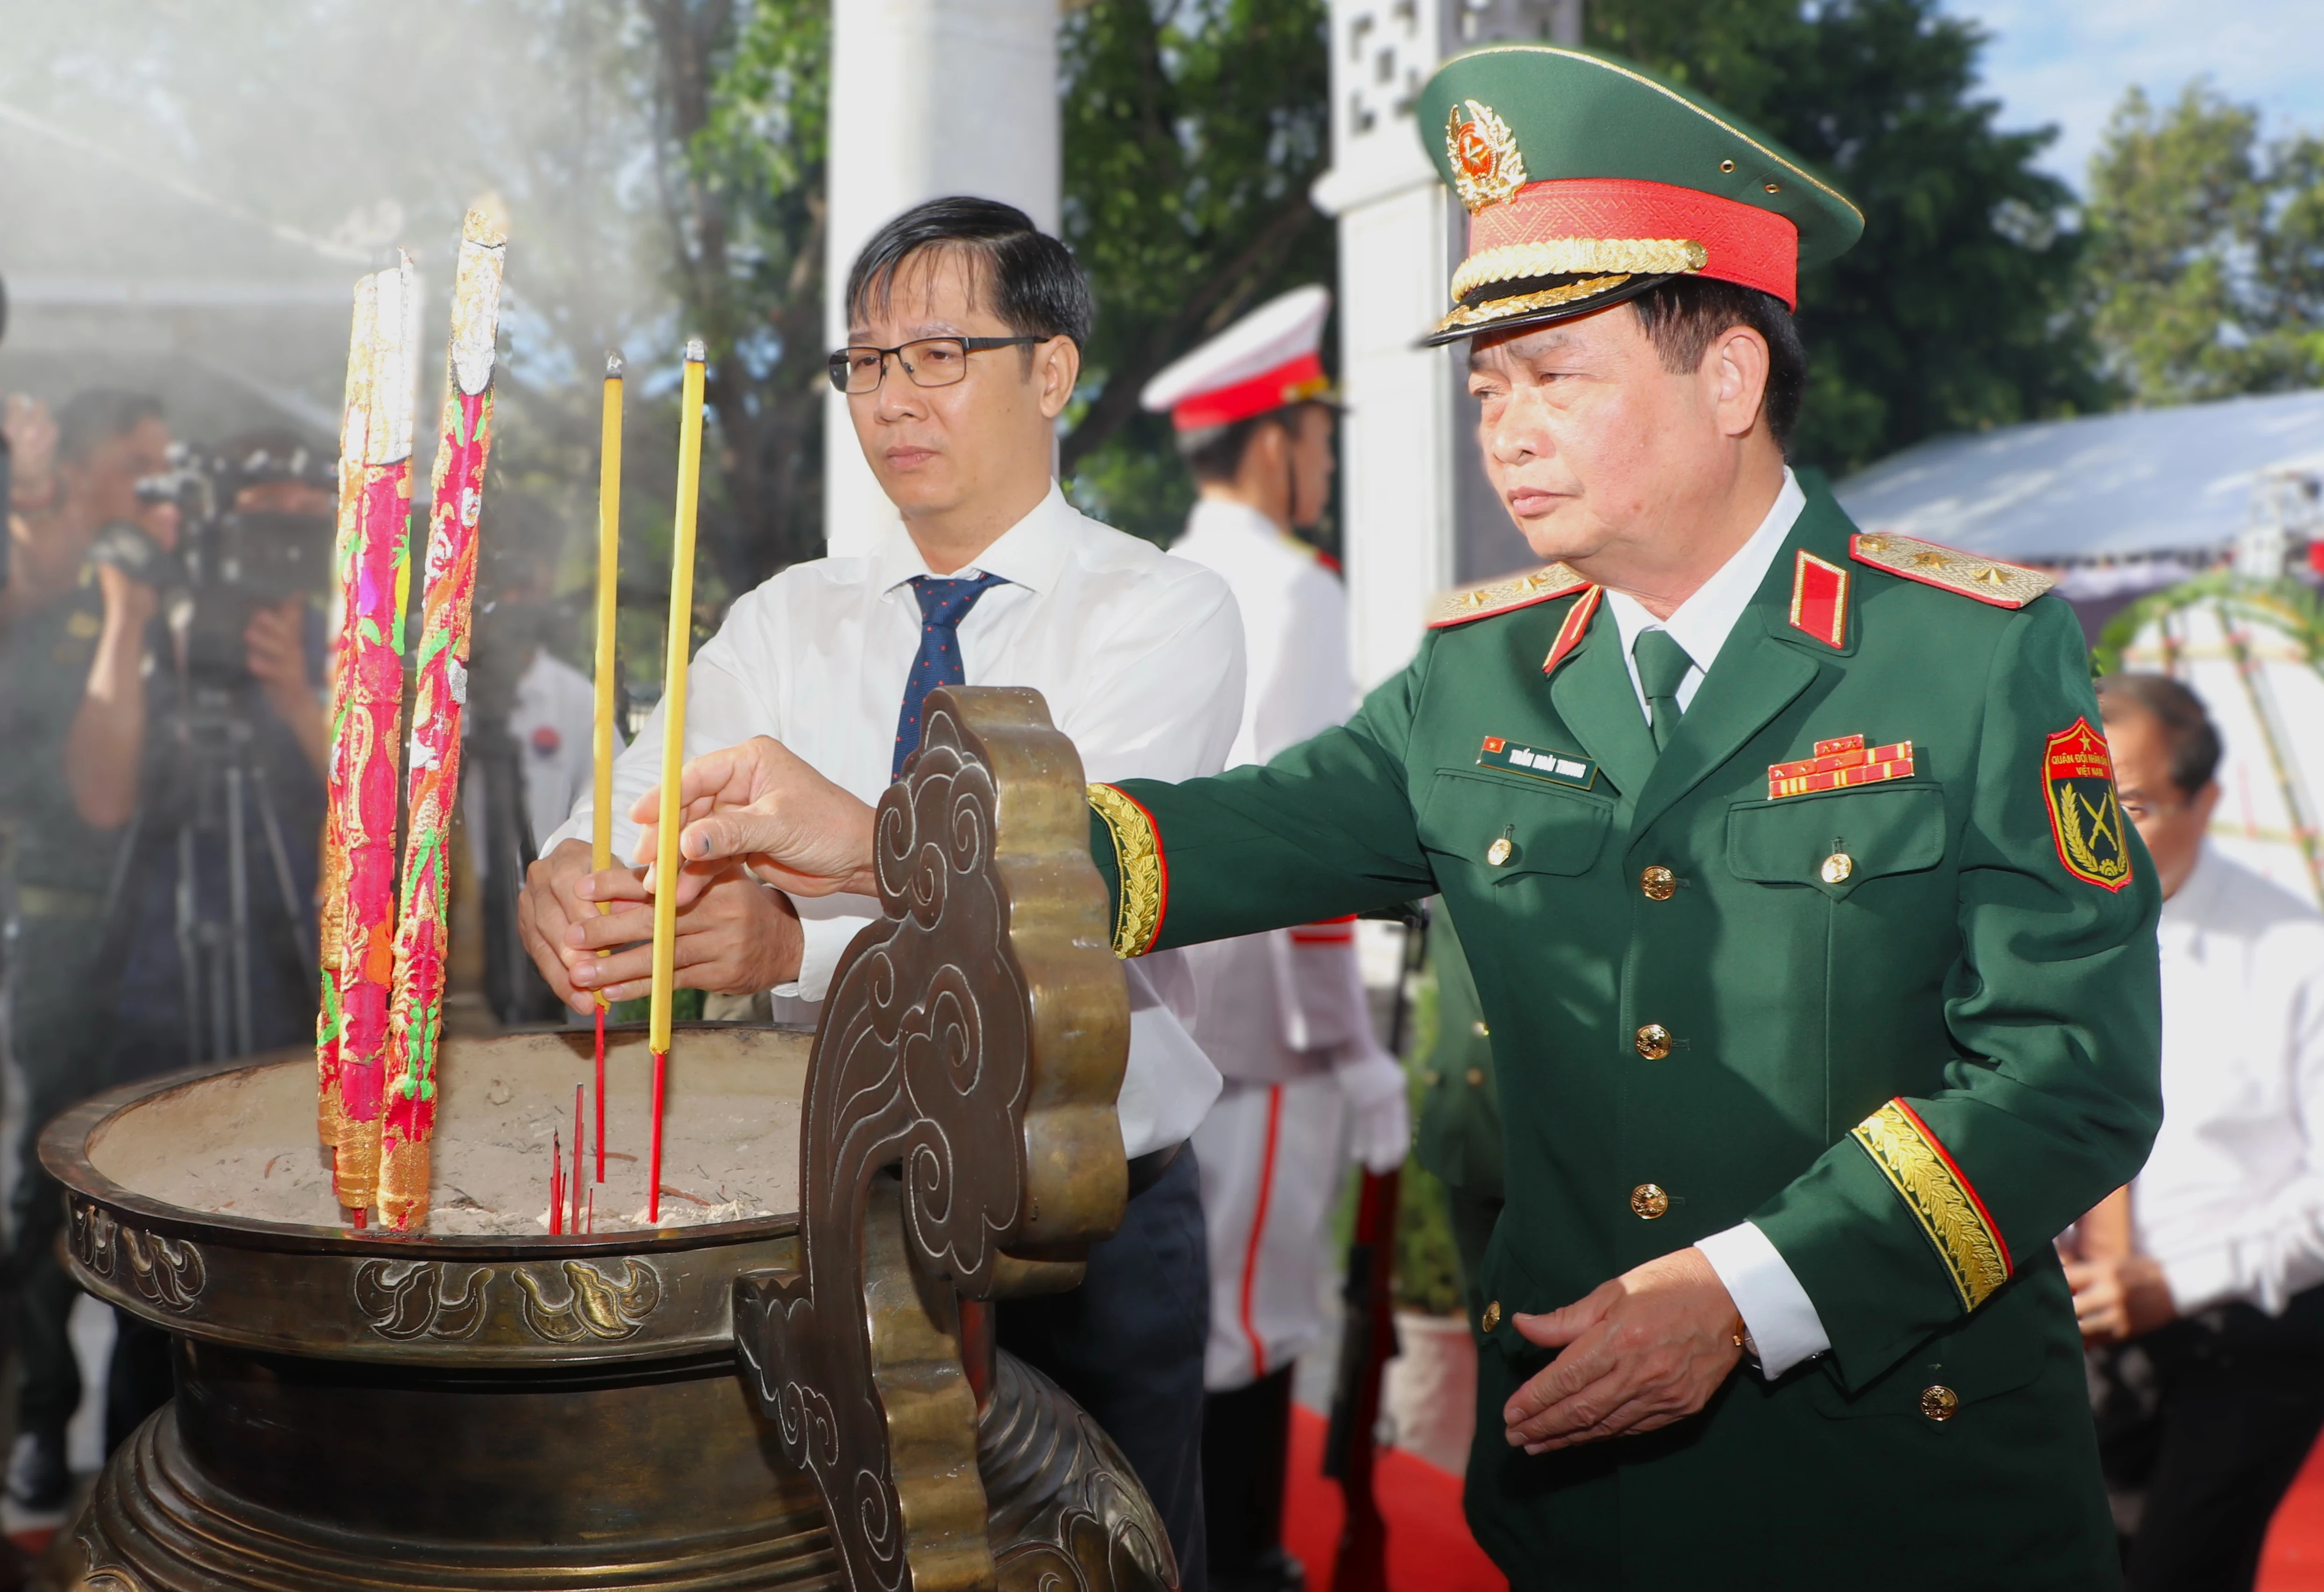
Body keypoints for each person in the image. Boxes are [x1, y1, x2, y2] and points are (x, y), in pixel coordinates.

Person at [647, 47, 2165, 1589]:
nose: (1503, 425)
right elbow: (1206, 838)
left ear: (1729, 375)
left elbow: (2071, 1076)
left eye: (1555, 372)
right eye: (1486, 381)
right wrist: (888, 838)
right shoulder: (1480, 672)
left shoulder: (1966, 653)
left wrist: (1748, 1289)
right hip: (1593, 1492)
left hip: (1899, 1486)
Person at [515, 198, 1243, 1583]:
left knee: (1100, 1554)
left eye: (938, 354)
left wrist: (784, 946)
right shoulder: (791, 616)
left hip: (1070, 1213)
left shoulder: (1157, 613)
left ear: (1049, 371)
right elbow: (626, 803)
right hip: (826, 1214)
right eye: (864, 363)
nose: (892, 397)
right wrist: (570, 878)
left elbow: (1059, 910)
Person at [1134, 284, 1408, 1592]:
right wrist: (1352, 1050)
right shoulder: (1289, 594)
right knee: (1248, 1323)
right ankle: (1236, 1564)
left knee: (1184, 1323)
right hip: (1259, 1040)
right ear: (1271, 439)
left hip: (1163, 1022)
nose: (1330, 462)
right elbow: (1302, 851)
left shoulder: (1164, 579)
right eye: (1322, 437)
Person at [2067, 674, 2324, 1592]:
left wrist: (2172, 1283)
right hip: (2079, 1317)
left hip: (2248, 1327)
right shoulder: (2042, 933)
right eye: (2073, 797)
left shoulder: (2298, 957)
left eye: (2128, 804)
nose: (2092, 831)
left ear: (2204, 800)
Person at [0, 388, 171, 1518]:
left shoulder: (177, 589)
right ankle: (39, 1412)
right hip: (64, 917)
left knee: (156, 1176)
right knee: (49, 1191)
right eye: (138, 472)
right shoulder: (52, 585)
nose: (157, 496)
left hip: (165, 925)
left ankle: (153, 1435)